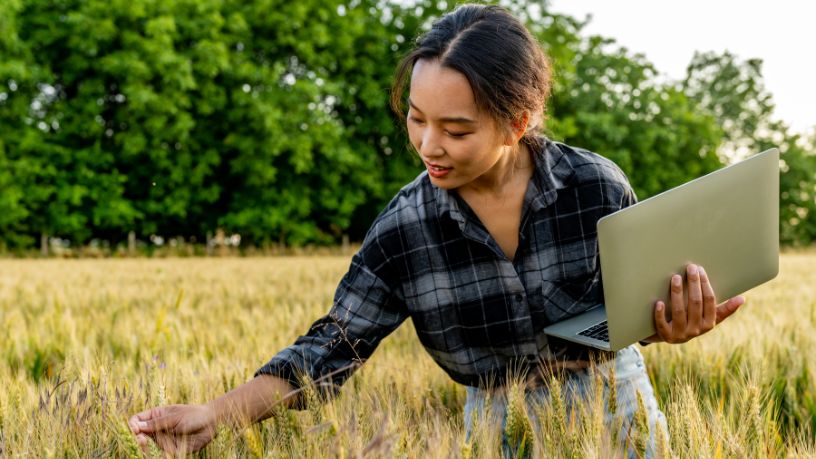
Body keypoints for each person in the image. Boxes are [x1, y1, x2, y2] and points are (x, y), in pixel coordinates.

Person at [129, 4, 745, 457]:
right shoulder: (403, 229)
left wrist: (672, 325)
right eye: (416, 119)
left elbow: (628, 313)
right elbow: (329, 349)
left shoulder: (596, 188)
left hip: (616, 413)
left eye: (455, 129)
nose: (428, 145)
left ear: (518, 121)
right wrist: (214, 414)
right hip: (496, 431)